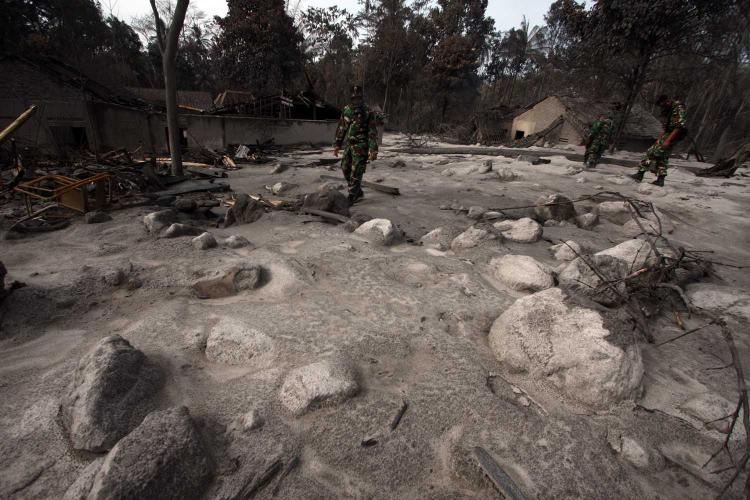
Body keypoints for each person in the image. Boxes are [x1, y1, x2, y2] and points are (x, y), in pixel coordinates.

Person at [334, 85, 379, 205]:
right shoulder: (347, 109)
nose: (356, 101)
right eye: (354, 98)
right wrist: (337, 144)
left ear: (362, 98)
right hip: (349, 145)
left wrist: (373, 149)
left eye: (358, 98)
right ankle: (357, 191)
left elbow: (372, 131)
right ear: (351, 98)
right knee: (345, 167)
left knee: (356, 171)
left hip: (361, 146)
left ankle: (352, 195)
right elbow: (342, 127)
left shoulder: (368, 111)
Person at [630, 95, 687, 186]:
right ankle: (660, 179)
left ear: (667, 101)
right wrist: (662, 137)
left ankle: (641, 173)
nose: (662, 107)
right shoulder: (671, 109)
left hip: (672, 135)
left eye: (663, 104)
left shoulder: (678, 108)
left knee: (651, 153)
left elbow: (679, 127)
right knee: (661, 157)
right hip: (668, 134)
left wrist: (667, 140)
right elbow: (667, 126)